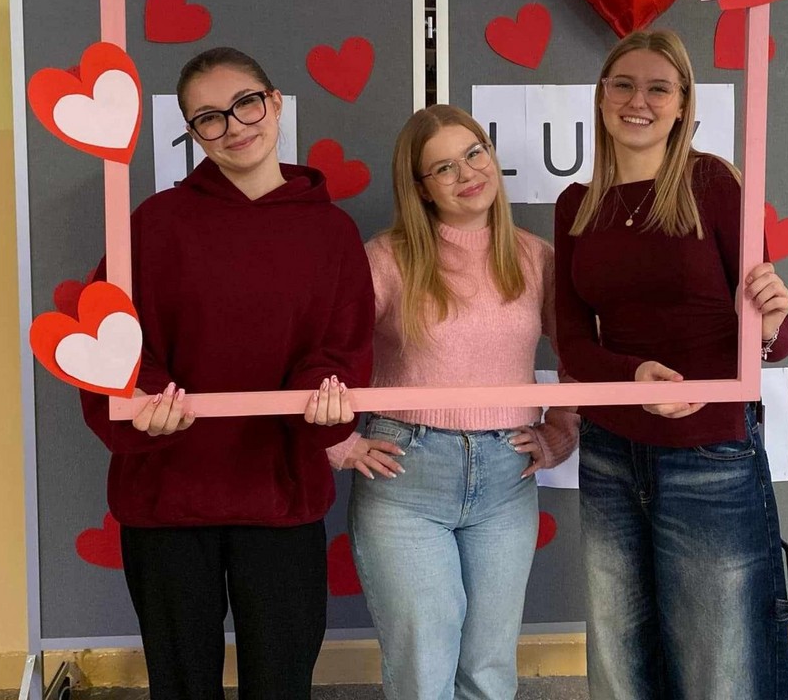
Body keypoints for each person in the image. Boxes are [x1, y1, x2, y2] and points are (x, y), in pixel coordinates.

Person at [80, 47, 374, 700]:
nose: (234, 126)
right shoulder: (154, 224)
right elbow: (109, 340)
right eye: (209, 117)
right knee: (182, 683)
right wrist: (142, 398)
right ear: (192, 132)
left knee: (281, 680)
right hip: (168, 495)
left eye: (245, 104)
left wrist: (324, 396)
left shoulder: (331, 232)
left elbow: (343, 344)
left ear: (275, 101)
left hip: (279, 493)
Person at [554, 30, 788, 700]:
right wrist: (632, 378)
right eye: (623, 84)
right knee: (620, 660)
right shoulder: (576, 205)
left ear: (684, 102)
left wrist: (769, 327)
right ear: (601, 95)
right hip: (609, 452)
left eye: (658, 87)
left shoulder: (714, 184)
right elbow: (572, 345)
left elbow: (776, 337)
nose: (638, 100)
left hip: (709, 452)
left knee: (722, 664)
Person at [326, 104, 579, 700]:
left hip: (507, 477)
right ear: (421, 188)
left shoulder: (536, 257)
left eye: (474, 153)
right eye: (444, 167)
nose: (467, 173)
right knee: (424, 661)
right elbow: (325, 351)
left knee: (489, 664)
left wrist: (560, 432)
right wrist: (337, 442)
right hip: (406, 476)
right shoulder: (386, 259)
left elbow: (578, 356)